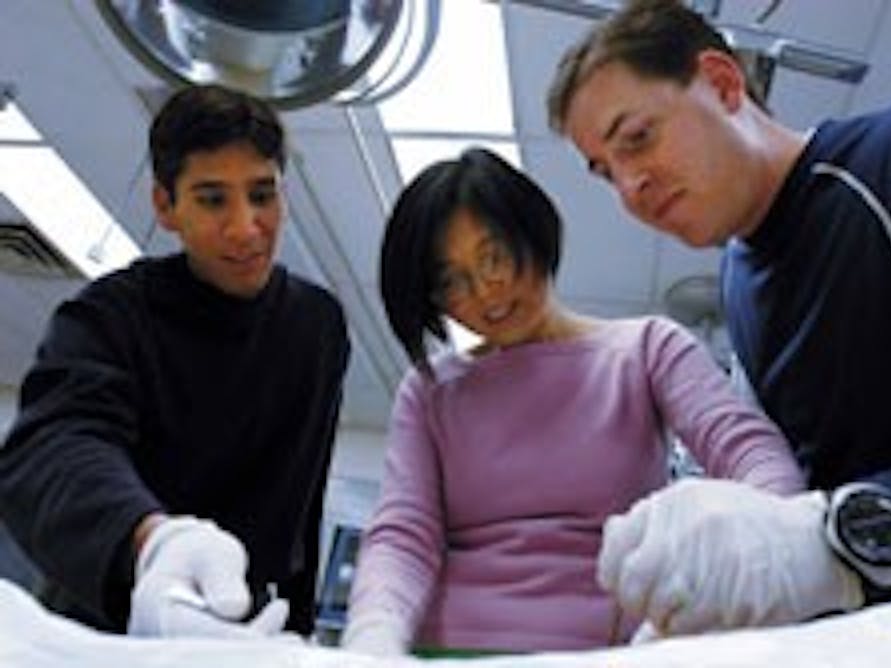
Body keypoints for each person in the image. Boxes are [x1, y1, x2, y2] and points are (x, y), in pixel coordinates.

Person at [546, 0, 891, 639]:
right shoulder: (741, 289)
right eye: (606, 174)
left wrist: (841, 541)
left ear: (724, 84)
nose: (630, 190)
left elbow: (834, 538)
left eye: (638, 139)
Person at [339, 147, 804, 656]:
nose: (486, 292)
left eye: (494, 256)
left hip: (610, 649)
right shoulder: (430, 391)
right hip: (453, 645)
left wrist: (778, 540)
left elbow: (749, 452)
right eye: (451, 282)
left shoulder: (646, 350)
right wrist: (373, 633)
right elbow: (404, 535)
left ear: (532, 231)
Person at [0, 84, 351, 639]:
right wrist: (155, 542)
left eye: (263, 194)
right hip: (114, 619)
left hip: (248, 629)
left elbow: (301, 499)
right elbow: (54, 445)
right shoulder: (107, 315)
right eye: (213, 199)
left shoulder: (318, 326)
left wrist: (299, 625)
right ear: (165, 206)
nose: (245, 227)